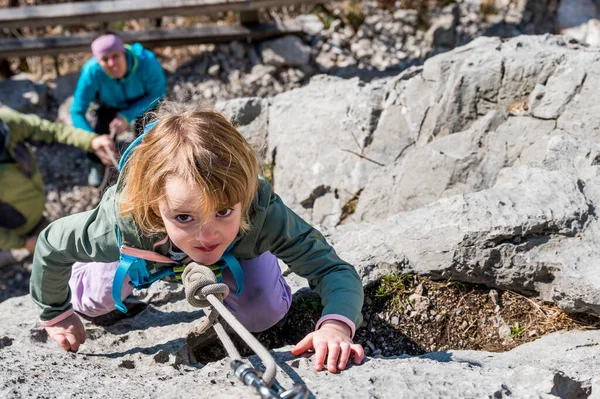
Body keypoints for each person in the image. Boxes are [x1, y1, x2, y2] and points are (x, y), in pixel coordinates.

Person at [30, 103, 365, 373]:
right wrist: (56, 312)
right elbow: (51, 244)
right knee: (93, 300)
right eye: (184, 217)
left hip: (239, 247)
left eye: (222, 212)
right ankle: (114, 271)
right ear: (153, 204)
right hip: (146, 250)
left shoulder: (261, 211)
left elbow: (331, 269)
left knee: (265, 311)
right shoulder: (121, 221)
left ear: (243, 197)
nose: (206, 235)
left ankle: (244, 261)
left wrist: (336, 324)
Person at [0, 107, 116, 252]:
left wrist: (91, 141)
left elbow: (50, 130)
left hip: (35, 206)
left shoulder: (7, 122)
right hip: (20, 228)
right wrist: (23, 243)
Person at [70, 33, 167, 186]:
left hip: (143, 100)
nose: (112, 63)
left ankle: (148, 163)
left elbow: (157, 92)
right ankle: (97, 162)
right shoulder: (92, 72)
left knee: (149, 131)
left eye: (115, 56)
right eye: (105, 59)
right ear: (98, 61)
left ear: (123, 52)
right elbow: (77, 110)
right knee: (101, 131)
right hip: (109, 104)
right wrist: (92, 140)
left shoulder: (146, 61)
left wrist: (126, 116)